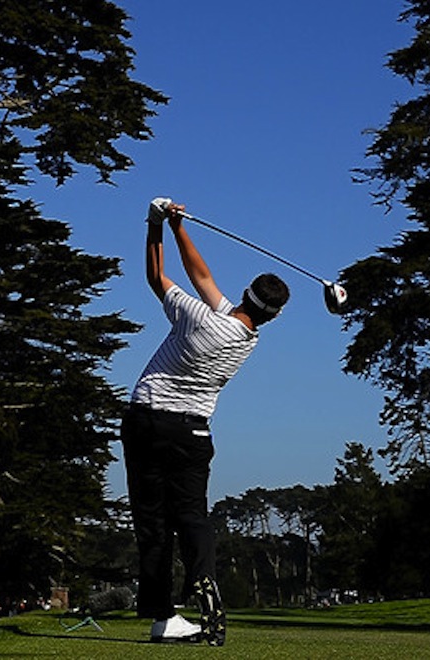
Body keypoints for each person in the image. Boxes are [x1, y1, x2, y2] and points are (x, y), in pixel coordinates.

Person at [121, 198, 290, 646]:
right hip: (194, 432)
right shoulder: (248, 338)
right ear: (272, 316)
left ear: (247, 292)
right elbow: (203, 278)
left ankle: (161, 612)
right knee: (193, 517)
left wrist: (155, 225)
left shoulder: (199, 319)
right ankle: (201, 583)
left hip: (147, 421)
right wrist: (179, 228)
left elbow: (159, 278)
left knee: (153, 524)